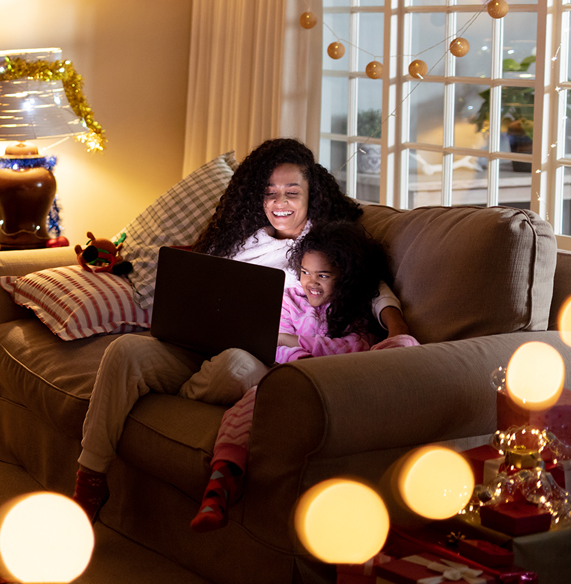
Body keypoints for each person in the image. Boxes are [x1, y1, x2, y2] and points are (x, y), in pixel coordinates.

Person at [71, 138, 412, 521]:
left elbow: (370, 286)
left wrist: (397, 326)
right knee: (124, 351)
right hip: (200, 344)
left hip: (257, 359)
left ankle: (184, 391)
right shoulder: (242, 235)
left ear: (311, 195)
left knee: (235, 364)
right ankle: (90, 480)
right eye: (270, 193)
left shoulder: (323, 244)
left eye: (291, 193)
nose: (279, 203)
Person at [190, 221, 419, 532]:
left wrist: (299, 343)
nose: (311, 282)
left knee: (404, 345)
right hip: (293, 380)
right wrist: (302, 355)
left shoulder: (355, 308)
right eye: (306, 272)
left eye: (323, 275)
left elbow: (356, 347)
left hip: (344, 380)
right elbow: (276, 346)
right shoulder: (289, 300)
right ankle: (217, 491)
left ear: (345, 278)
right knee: (256, 398)